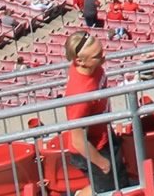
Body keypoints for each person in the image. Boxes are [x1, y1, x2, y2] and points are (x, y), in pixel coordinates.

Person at [63, 31, 125, 193]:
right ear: (79, 61)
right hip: (93, 150)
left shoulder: (91, 67)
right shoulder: (80, 95)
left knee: (120, 185)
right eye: (98, 56)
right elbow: (78, 140)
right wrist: (102, 163)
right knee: (105, 191)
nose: (103, 58)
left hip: (104, 136)